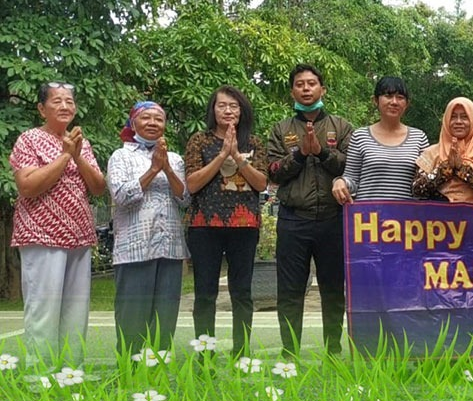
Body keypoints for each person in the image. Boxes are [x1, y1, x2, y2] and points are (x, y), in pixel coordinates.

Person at [9, 81, 106, 367]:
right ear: (42, 109)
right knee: (44, 309)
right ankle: (39, 377)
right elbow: (27, 186)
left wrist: (76, 154)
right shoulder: (28, 139)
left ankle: (71, 372)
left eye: (69, 101)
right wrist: (65, 156)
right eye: (57, 101)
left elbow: (98, 187)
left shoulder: (81, 143)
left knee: (76, 310)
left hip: (79, 236)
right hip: (41, 235)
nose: (65, 106)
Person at [267, 64, 353, 358]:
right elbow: (273, 172)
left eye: (312, 83)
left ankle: (333, 349)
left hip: (333, 219)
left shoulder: (341, 127)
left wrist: (321, 151)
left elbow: (350, 167)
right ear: (292, 92)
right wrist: (301, 154)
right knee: (290, 290)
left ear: (322, 89)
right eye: (300, 84)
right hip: (293, 220)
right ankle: (289, 352)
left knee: (333, 289)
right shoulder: (280, 129)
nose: (306, 88)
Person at [185, 86, 268, 357]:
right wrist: (222, 154)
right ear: (213, 109)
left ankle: (241, 354)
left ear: (242, 111)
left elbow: (261, 183)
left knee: (241, 292)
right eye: (222, 105)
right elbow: (192, 184)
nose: (228, 110)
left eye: (233, 106)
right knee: (205, 293)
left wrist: (237, 157)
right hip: (204, 224)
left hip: (244, 226)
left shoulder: (254, 143)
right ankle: (205, 356)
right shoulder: (199, 140)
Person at [107, 101, 189, 356]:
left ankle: (158, 370)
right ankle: (129, 370)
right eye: (146, 118)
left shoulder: (175, 159)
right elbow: (121, 196)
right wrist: (154, 169)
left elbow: (185, 199)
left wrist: (167, 168)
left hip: (170, 248)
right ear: (133, 124)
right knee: (132, 316)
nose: (153, 123)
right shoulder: (121, 156)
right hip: (134, 248)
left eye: (158, 119)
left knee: (165, 318)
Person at [332, 76, 429, 204]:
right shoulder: (360, 136)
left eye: (400, 97)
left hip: (406, 215)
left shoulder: (419, 138)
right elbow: (352, 179)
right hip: (369, 214)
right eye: (388, 96)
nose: (394, 102)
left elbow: (425, 182)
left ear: (407, 104)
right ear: (375, 100)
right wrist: (341, 182)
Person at [413, 96, 473, 203]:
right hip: (437, 213)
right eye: (453, 117)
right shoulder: (431, 153)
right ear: (446, 120)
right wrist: (446, 169)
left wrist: (463, 169)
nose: (458, 121)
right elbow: (417, 190)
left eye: (464, 117)